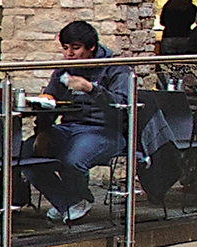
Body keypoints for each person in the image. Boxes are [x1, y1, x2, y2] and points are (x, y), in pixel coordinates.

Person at [24, 20, 134, 222]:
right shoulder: (64, 70)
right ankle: (68, 202)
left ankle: (74, 201)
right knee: (24, 154)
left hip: (106, 131)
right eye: (65, 48)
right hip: (68, 128)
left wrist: (91, 89)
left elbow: (123, 109)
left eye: (75, 48)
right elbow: (48, 101)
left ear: (91, 47)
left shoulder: (115, 68)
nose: (69, 54)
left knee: (72, 160)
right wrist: (43, 132)